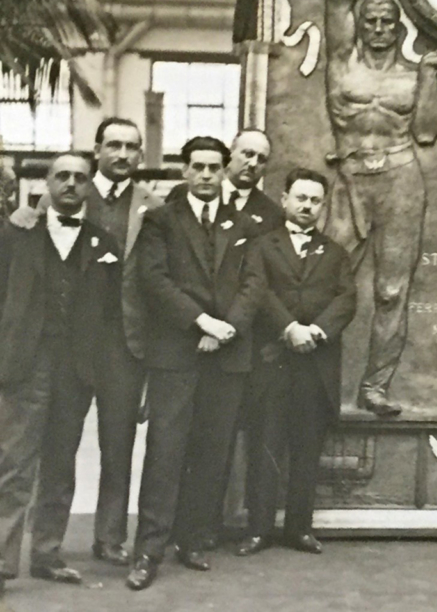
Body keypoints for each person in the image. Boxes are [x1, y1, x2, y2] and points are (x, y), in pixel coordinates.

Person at [9, 117, 161, 566]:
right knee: (34, 451)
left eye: (131, 147)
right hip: (49, 348)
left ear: (140, 155)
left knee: (101, 450)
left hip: (114, 346)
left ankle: (90, 543)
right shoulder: (39, 212)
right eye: (113, 144)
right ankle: (20, 550)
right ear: (97, 149)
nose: (122, 153)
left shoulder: (150, 208)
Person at [127, 136, 265, 591]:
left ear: (224, 170)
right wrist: (201, 321)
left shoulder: (243, 224)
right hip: (177, 353)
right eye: (197, 167)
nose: (206, 175)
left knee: (211, 451)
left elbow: (253, 284)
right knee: (166, 451)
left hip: (227, 356)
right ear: (184, 170)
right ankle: (148, 549)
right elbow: (154, 279)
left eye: (213, 167)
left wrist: (227, 328)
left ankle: (191, 539)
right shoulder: (161, 220)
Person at [0, 154, 122, 594]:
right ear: (47, 182)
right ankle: (1, 562)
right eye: (62, 176)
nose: (71, 184)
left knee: (60, 464)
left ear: (90, 186)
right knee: (13, 464)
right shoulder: (16, 233)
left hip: (76, 370)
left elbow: (111, 316)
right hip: (24, 366)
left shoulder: (104, 242)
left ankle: (47, 553)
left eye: (80, 178)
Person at [324, 0, 425, 417]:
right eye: (372, 21)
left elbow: (427, 130)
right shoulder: (343, 63)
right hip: (350, 178)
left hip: (402, 178)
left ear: (399, 27)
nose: (381, 28)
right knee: (324, 280)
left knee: (390, 291)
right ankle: (321, 383)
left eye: (389, 21)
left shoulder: (415, 73)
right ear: (360, 27)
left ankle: (375, 386)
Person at [238, 169, 356, 558]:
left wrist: (317, 331)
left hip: (315, 365)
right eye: (300, 198)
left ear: (322, 206)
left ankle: (299, 528)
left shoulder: (336, 253)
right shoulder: (261, 246)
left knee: (307, 450)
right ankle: (258, 529)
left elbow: (346, 300)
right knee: (265, 446)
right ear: (285, 199)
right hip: (273, 362)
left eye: (315, 201)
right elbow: (260, 291)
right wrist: (289, 328)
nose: (307, 206)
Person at [167, 128, 284, 237]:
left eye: (261, 159)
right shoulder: (182, 193)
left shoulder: (273, 215)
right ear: (231, 153)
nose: (253, 163)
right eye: (248, 154)